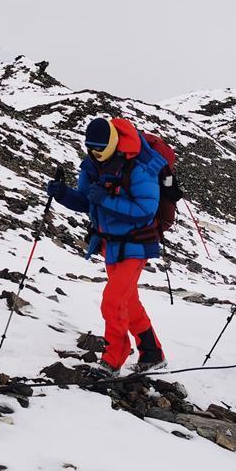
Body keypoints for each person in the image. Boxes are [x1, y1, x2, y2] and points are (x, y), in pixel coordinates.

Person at [47, 117, 167, 376]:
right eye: (90, 147)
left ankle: (113, 360)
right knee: (128, 301)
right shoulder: (90, 166)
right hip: (109, 245)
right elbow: (87, 202)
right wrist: (63, 194)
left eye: (99, 148)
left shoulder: (137, 168)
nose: (95, 153)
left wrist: (107, 201)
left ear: (113, 142)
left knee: (112, 302)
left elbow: (146, 211)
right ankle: (152, 353)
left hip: (135, 245)